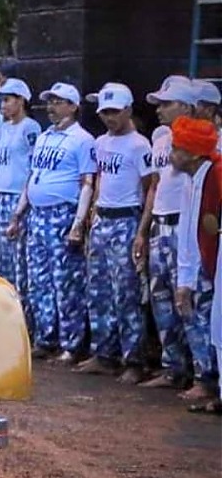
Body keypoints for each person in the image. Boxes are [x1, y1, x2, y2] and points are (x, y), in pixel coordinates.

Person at [12, 82, 97, 364]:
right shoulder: (45, 136)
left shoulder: (82, 139)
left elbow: (87, 183)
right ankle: (46, 338)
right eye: (50, 102)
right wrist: (18, 213)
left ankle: (71, 343)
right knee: (39, 280)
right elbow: (32, 175)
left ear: (73, 106)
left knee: (66, 281)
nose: (51, 107)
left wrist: (78, 223)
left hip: (63, 212)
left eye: (58, 102)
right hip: (37, 213)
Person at [75, 83, 154, 382]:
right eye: (104, 112)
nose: (109, 118)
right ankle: (104, 353)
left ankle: (134, 359)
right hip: (102, 219)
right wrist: (90, 216)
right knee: (98, 290)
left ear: (128, 110)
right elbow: (97, 182)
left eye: (114, 111)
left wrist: (142, 231)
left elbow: (150, 189)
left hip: (126, 219)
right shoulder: (100, 143)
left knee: (127, 293)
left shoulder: (139, 145)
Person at [137, 76, 205, 390]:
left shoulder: (206, 141)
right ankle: (172, 367)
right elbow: (154, 186)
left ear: (188, 107)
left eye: (167, 104)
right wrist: (143, 230)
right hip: (160, 225)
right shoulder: (161, 137)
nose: (160, 110)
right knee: (160, 299)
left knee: (189, 300)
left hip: (185, 225)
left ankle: (204, 374)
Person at [171, 116, 219, 402]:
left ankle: (211, 381)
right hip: (196, 261)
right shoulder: (191, 179)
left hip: (211, 262)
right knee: (195, 319)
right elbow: (188, 229)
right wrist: (185, 277)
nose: (171, 153)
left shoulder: (215, 176)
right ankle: (206, 378)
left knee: (210, 322)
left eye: (177, 148)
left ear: (191, 153)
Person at [0, 78, 41, 332]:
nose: (3, 104)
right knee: (2, 262)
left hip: (16, 195)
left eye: (8, 99)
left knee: (18, 263)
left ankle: (23, 323)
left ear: (21, 100)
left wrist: (21, 206)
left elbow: (33, 167)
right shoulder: (4, 127)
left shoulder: (29, 127)